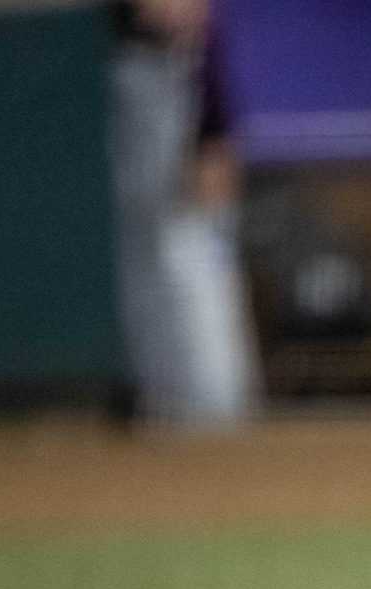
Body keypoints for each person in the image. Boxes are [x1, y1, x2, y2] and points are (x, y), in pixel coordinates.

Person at [108, 0, 256, 430]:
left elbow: (202, 44)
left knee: (198, 260)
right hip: (150, 80)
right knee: (158, 258)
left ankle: (214, 404)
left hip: (186, 104)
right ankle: (169, 398)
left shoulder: (204, 51)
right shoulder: (131, 59)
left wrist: (215, 144)